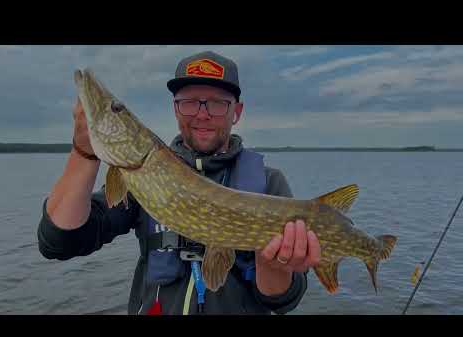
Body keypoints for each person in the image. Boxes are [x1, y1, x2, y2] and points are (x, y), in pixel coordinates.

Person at [37, 51, 321, 315]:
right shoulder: (139, 178)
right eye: (188, 102)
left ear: (237, 112)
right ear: (175, 109)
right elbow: (59, 242)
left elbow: (285, 299)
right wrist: (84, 153)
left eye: (217, 103)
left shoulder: (268, 183)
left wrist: (274, 266)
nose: (202, 113)